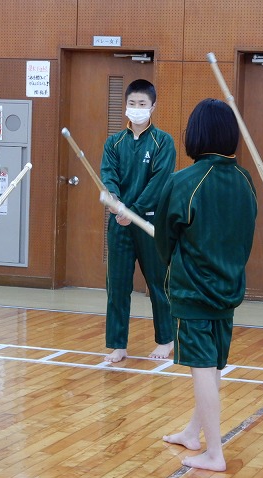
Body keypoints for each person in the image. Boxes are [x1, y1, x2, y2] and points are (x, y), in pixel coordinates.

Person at [154, 98, 258, 471]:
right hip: (229, 290)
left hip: (193, 292)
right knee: (211, 366)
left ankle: (214, 453)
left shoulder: (184, 181)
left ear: (195, 135)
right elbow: (246, 235)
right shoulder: (246, 180)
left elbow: (163, 240)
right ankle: (192, 432)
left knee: (202, 369)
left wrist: (177, 265)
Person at [100, 79, 176, 363]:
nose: (137, 109)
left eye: (142, 104)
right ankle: (117, 344)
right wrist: (114, 200)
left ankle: (166, 340)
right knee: (117, 284)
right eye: (132, 104)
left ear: (153, 106)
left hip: (149, 223)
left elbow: (160, 182)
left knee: (158, 282)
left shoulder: (163, 142)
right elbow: (108, 176)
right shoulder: (114, 142)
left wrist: (131, 210)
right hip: (118, 223)